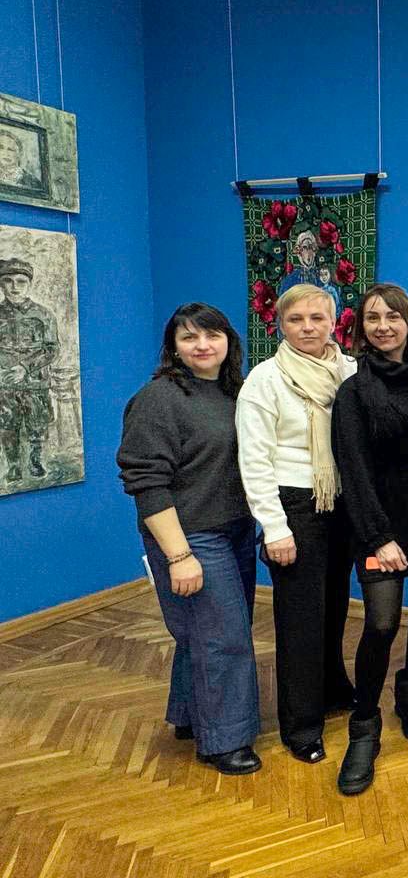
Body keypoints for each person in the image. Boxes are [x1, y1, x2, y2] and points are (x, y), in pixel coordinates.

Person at [117, 303, 261, 775]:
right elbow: (146, 482)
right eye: (189, 337)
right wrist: (179, 555)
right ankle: (225, 742)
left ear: (228, 341)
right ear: (173, 347)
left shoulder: (235, 392)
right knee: (225, 638)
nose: (202, 345)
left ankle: (189, 715)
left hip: (235, 529)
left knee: (207, 632)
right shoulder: (158, 399)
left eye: (212, 335)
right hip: (189, 535)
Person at [331, 284, 408, 795]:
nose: (383, 326)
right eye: (373, 318)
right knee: (380, 622)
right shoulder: (353, 392)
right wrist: (378, 537)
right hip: (378, 519)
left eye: (392, 317)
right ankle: (364, 724)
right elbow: (353, 470)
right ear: (362, 328)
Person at [236, 283, 357, 763]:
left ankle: (331, 691)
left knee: (334, 607)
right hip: (293, 506)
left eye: (316, 318)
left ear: (334, 322)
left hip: (341, 501)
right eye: (295, 319)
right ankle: (301, 726)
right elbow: (254, 461)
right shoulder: (265, 380)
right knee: (300, 619)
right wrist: (274, 527)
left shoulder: (349, 371)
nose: (307, 328)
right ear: (280, 325)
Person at [0, 256, 59, 483]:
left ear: (29, 284)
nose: (14, 287)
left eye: (21, 281)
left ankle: (35, 461)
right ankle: (13, 466)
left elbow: (52, 349)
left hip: (36, 385)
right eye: (8, 281)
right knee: (8, 427)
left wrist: (25, 368)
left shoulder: (44, 315)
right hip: (5, 385)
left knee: (37, 426)